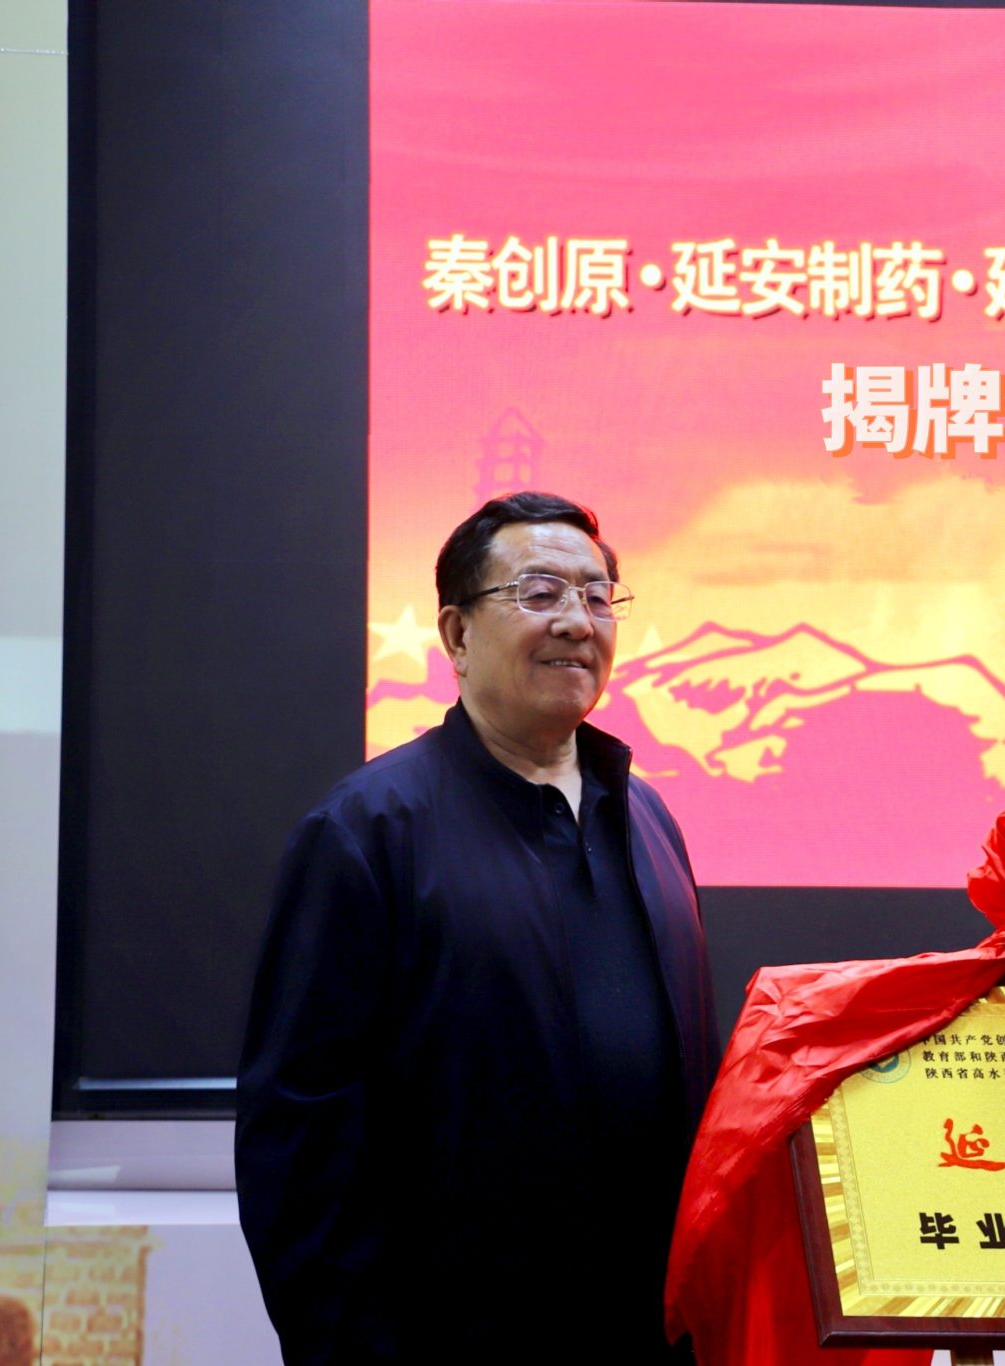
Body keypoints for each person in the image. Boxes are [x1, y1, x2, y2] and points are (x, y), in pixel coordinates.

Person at [237, 492, 720, 1364]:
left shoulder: (647, 818)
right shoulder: (367, 831)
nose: (577, 621)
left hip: (648, 1332)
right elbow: (301, 1136)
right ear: (457, 636)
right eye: (539, 593)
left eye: (597, 596)